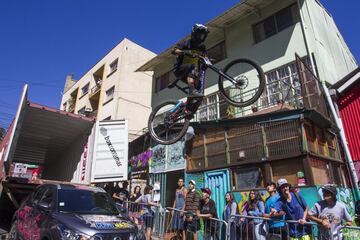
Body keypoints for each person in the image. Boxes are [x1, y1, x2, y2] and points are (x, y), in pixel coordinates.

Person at [172, 23, 209, 97]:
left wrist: (208, 60)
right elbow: (174, 51)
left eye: (202, 36)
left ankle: (189, 105)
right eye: (199, 35)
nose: (200, 37)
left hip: (193, 72)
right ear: (194, 34)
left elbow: (205, 57)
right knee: (193, 64)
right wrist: (185, 52)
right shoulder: (186, 43)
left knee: (199, 86)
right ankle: (192, 91)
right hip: (180, 69)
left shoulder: (202, 47)